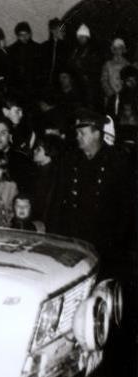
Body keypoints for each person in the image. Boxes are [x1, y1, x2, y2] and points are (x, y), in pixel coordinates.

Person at [50, 109, 130, 267]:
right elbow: (58, 200)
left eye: (82, 133)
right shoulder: (70, 160)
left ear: (96, 134)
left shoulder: (116, 161)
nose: (78, 137)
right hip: (74, 239)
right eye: (77, 133)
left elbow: (124, 207)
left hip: (104, 242)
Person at [7, 22, 43, 97]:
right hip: (17, 88)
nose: (24, 37)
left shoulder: (37, 48)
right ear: (17, 36)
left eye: (26, 34)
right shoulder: (12, 50)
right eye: (21, 35)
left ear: (30, 34)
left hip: (34, 87)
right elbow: (10, 70)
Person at [102, 39, 133, 109]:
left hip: (124, 98)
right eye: (116, 49)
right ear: (113, 50)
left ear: (123, 50)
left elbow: (131, 81)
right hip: (110, 97)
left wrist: (125, 93)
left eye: (120, 49)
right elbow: (104, 80)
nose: (118, 51)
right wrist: (110, 92)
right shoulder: (108, 64)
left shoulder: (127, 65)